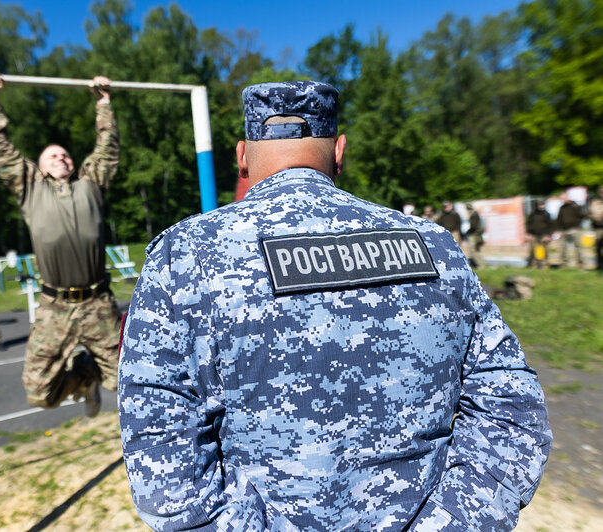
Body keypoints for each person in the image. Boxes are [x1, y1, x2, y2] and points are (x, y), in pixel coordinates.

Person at [119, 81, 551, 531]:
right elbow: (514, 412)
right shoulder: (432, 245)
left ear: (242, 156)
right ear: (340, 150)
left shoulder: (185, 255)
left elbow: (162, 468)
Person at [0, 68, 121, 417]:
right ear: (39, 167)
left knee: (127, 380)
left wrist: (103, 103)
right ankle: (83, 379)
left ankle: (91, 372)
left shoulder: (91, 184)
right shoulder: (30, 187)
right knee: (39, 393)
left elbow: (107, 148)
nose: (61, 158)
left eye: (65, 154)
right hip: (54, 305)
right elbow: (1, 152)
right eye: (52, 155)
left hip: (97, 302)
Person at [556, 192, 585, 268]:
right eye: (561, 199)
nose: (562, 200)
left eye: (563, 198)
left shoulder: (575, 206)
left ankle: (580, 263)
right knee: (563, 247)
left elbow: (582, 215)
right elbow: (559, 219)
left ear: (567, 197)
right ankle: (564, 263)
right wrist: (559, 229)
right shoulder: (562, 208)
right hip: (564, 230)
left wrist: (577, 224)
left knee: (578, 246)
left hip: (574, 229)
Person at [526, 200, 553, 269]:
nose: (541, 206)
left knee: (544, 251)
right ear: (537, 205)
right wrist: (529, 234)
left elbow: (550, 226)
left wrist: (548, 235)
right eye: (540, 205)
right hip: (534, 235)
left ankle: (544, 266)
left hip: (544, 235)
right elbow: (529, 224)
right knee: (533, 251)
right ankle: (533, 266)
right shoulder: (532, 214)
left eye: (542, 204)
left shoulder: (547, 214)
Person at [463, 203, 484, 268]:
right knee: (475, 250)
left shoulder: (474, 215)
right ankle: (478, 264)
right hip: (476, 234)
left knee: (474, 250)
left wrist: (467, 232)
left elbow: (474, 227)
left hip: (475, 235)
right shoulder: (475, 214)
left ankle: (480, 265)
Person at [589, 186, 603, 271]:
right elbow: (592, 213)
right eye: (601, 192)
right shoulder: (595, 202)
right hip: (598, 228)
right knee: (598, 247)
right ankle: (599, 265)